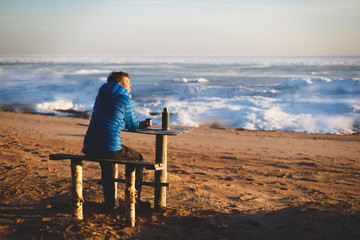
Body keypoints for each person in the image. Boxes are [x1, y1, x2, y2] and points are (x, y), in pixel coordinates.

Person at [82, 71, 151, 211]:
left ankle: (110, 202)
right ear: (120, 84)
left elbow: (111, 116)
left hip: (89, 146)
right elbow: (132, 126)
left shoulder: (99, 97)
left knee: (107, 163)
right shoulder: (126, 100)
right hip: (108, 145)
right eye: (128, 83)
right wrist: (140, 123)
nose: (131, 86)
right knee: (138, 160)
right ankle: (134, 201)